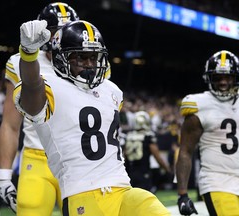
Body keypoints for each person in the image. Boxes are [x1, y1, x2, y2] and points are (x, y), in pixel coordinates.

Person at [14, 19, 171, 215]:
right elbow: (31, 92)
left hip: (124, 190)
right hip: (83, 192)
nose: (89, 64)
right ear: (62, 58)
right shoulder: (49, 87)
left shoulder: (111, 91)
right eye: (81, 57)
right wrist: (28, 56)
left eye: (93, 57)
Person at [0, 2, 79, 216]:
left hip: (77, 159)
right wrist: (4, 176)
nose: (60, 38)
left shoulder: (84, 63)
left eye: (67, 31)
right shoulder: (21, 62)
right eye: (55, 32)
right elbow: (10, 124)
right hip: (37, 157)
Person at [176, 50, 239, 216]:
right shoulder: (199, 104)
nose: (223, 82)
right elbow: (185, 151)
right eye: (218, 77)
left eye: (228, 77)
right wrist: (182, 194)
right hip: (217, 181)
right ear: (209, 78)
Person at [123, 110, 171, 193]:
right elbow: (157, 156)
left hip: (129, 173)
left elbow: (124, 155)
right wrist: (167, 169)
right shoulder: (148, 136)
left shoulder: (128, 136)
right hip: (143, 172)